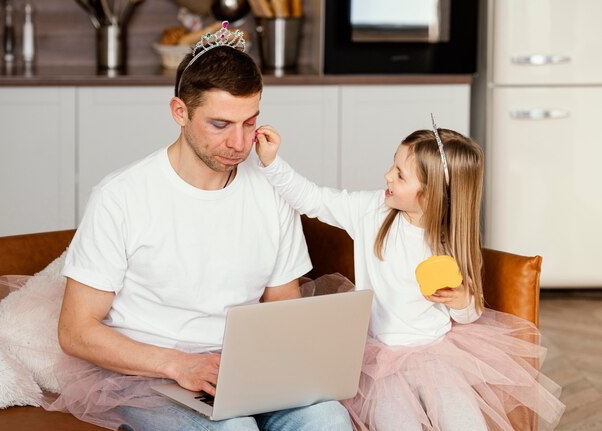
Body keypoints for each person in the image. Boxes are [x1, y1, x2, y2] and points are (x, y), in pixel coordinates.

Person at [47, 22, 352, 431]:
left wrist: (282, 371)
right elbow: (75, 330)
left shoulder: (271, 192)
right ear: (180, 112)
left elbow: (283, 305)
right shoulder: (121, 196)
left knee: (329, 418)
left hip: (243, 373)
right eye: (220, 125)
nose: (240, 144)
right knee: (234, 428)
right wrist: (180, 365)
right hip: (152, 376)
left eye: (249, 123)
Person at [254, 123, 566, 430]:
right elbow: (313, 198)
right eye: (394, 165)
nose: (388, 175)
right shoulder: (371, 212)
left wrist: (463, 301)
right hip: (380, 362)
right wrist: (271, 163)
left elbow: (469, 314)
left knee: (465, 421)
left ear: (430, 196)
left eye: (401, 175)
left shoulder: (449, 240)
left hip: (438, 355)